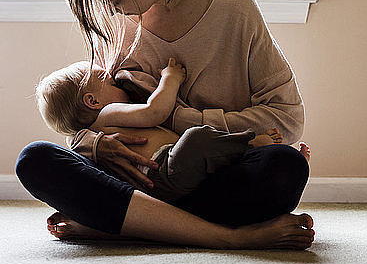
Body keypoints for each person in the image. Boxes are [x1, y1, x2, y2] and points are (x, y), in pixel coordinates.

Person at [15, 0, 315, 250]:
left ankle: (124, 223)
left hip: (214, 173)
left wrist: (179, 118)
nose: (113, 12)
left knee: (284, 167)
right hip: (143, 177)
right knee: (35, 160)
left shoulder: (233, 9)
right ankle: (228, 234)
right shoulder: (121, 21)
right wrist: (95, 145)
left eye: (115, 1)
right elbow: (88, 110)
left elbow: (285, 120)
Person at [35, 58, 310, 205]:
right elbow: (155, 111)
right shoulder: (106, 115)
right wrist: (170, 79)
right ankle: (250, 144)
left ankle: (265, 161)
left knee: (212, 159)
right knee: (197, 138)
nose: (115, 78)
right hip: (164, 168)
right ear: (92, 101)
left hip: (165, 183)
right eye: (106, 79)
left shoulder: (95, 134)